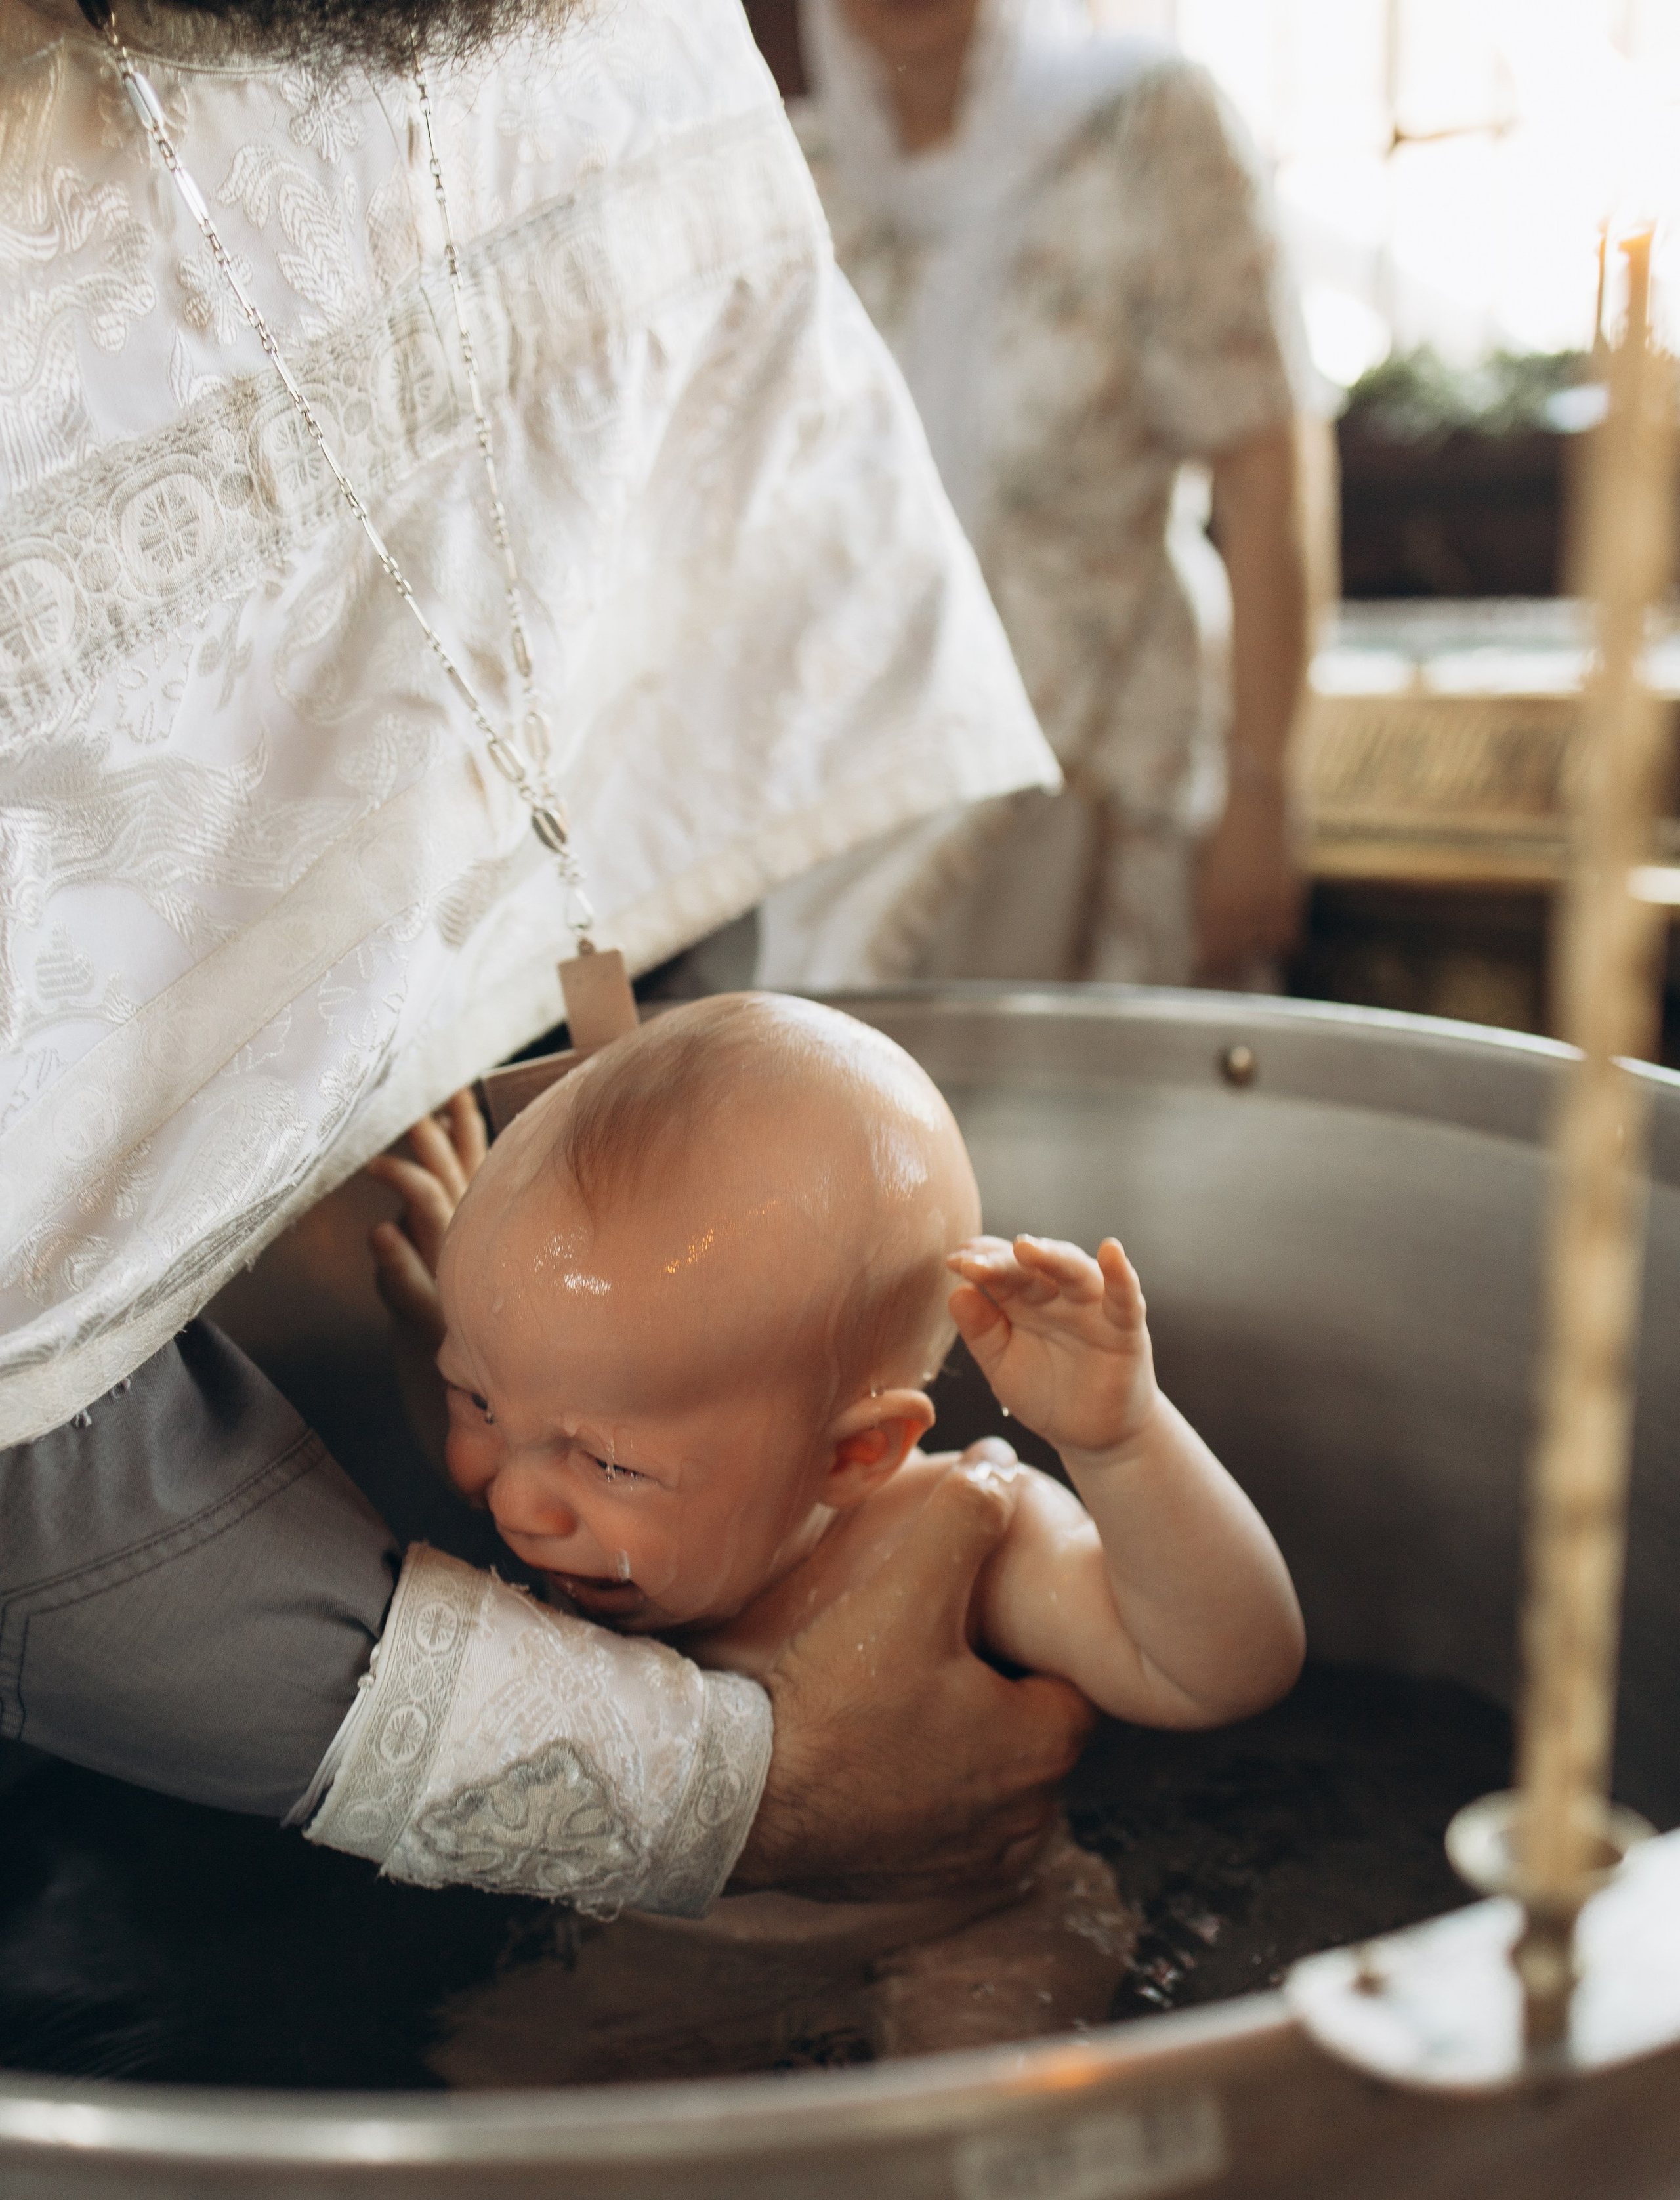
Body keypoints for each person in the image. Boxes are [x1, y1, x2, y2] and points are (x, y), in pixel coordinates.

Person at [0, 0, 1093, 1911]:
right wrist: (711, 1789)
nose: (512, 1472)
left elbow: (672, 865)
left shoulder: (605, 42)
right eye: (498, 1431)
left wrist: (576, 1311)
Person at [334, 994, 1302, 1896]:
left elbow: (1215, 1672)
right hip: (646, 1958)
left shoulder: (956, 1540)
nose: (513, 1506)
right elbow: (517, 1425)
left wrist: (1122, 1445)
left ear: (854, 1457)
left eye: (613, 1463)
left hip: (948, 1926)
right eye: (479, 1402)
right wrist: (461, 1324)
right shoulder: (563, 1483)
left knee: (987, 2022)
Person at [757, 0, 1317, 995]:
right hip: (870, 794)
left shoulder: (1148, 125)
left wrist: (1264, 789)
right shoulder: (797, 179)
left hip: (1100, 779)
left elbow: (1268, 475)